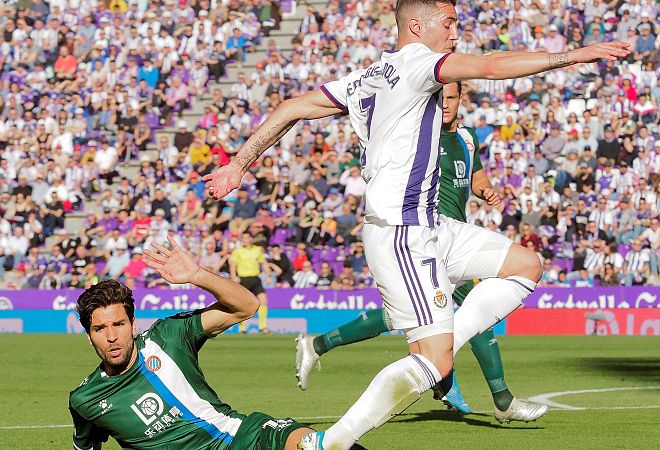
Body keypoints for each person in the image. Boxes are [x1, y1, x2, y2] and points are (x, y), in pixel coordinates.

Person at [203, 1, 628, 447]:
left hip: (432, 225)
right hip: (403, 231)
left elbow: (292, 106)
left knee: (526, 265)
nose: (455, 33)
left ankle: (447, 338)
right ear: (417, 25)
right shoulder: (418, 63)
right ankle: (328, 443)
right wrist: (573, 55)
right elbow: (490, 66)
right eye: (449, 23)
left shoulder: (367, 77)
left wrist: (238, 164)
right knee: (435, 363)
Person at [294, 82, 547, 421]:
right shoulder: (419, 134)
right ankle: (498, 398)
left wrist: (486, 191)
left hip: (457, 241)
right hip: (423, 241)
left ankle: (319, 345)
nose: (446, 104)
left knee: (402, 316)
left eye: (452, 97)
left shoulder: (468, 139)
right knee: (474, 317)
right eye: (440, 97)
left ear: (461, 99)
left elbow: (476, 178)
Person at [68, 236, 356, 450]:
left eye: (119, 324)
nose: (111, 336)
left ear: (133, 325)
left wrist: (198, 276)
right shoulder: (86, 399)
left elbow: (246, 307)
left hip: (243, 438)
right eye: (100, 329)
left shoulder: (167, 336)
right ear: (89, 336)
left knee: (319, 445)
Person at [228, 231, 271, 333]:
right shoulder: (237, 251)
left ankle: (262, 326)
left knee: (263, 300)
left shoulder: (257, 250)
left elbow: (263, 262)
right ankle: (242, 327)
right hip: (243, 279)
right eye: (243, 238)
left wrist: (268, 275)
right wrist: (233, 277)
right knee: (243, 304)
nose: (245, 240)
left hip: (255, 278)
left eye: (246, 238)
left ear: (251, 239)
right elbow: (233, 265)